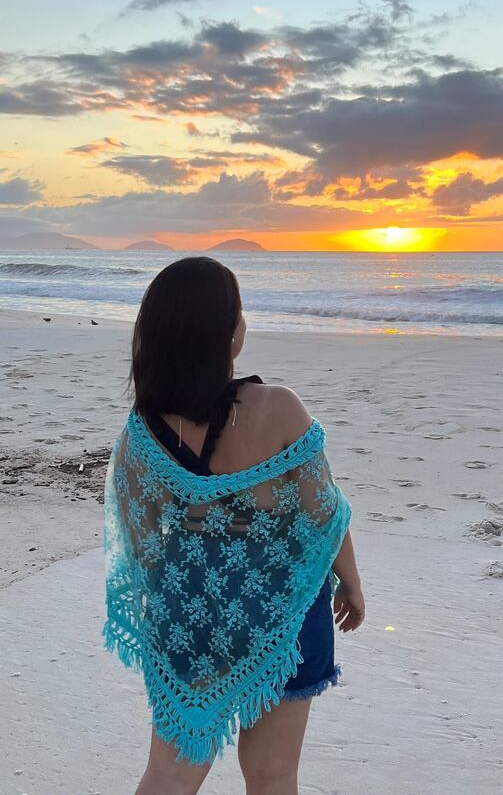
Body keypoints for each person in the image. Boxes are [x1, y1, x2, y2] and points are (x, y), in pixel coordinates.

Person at [102, 256, 365, 795]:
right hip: (284, 610)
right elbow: (324, 514)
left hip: (192, 615)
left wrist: (195, 594)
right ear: (227, 330)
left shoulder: (142, 431)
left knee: (168, 774)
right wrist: (353, 584)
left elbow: (144, 541)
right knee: (272, 776)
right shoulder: (278, 409)